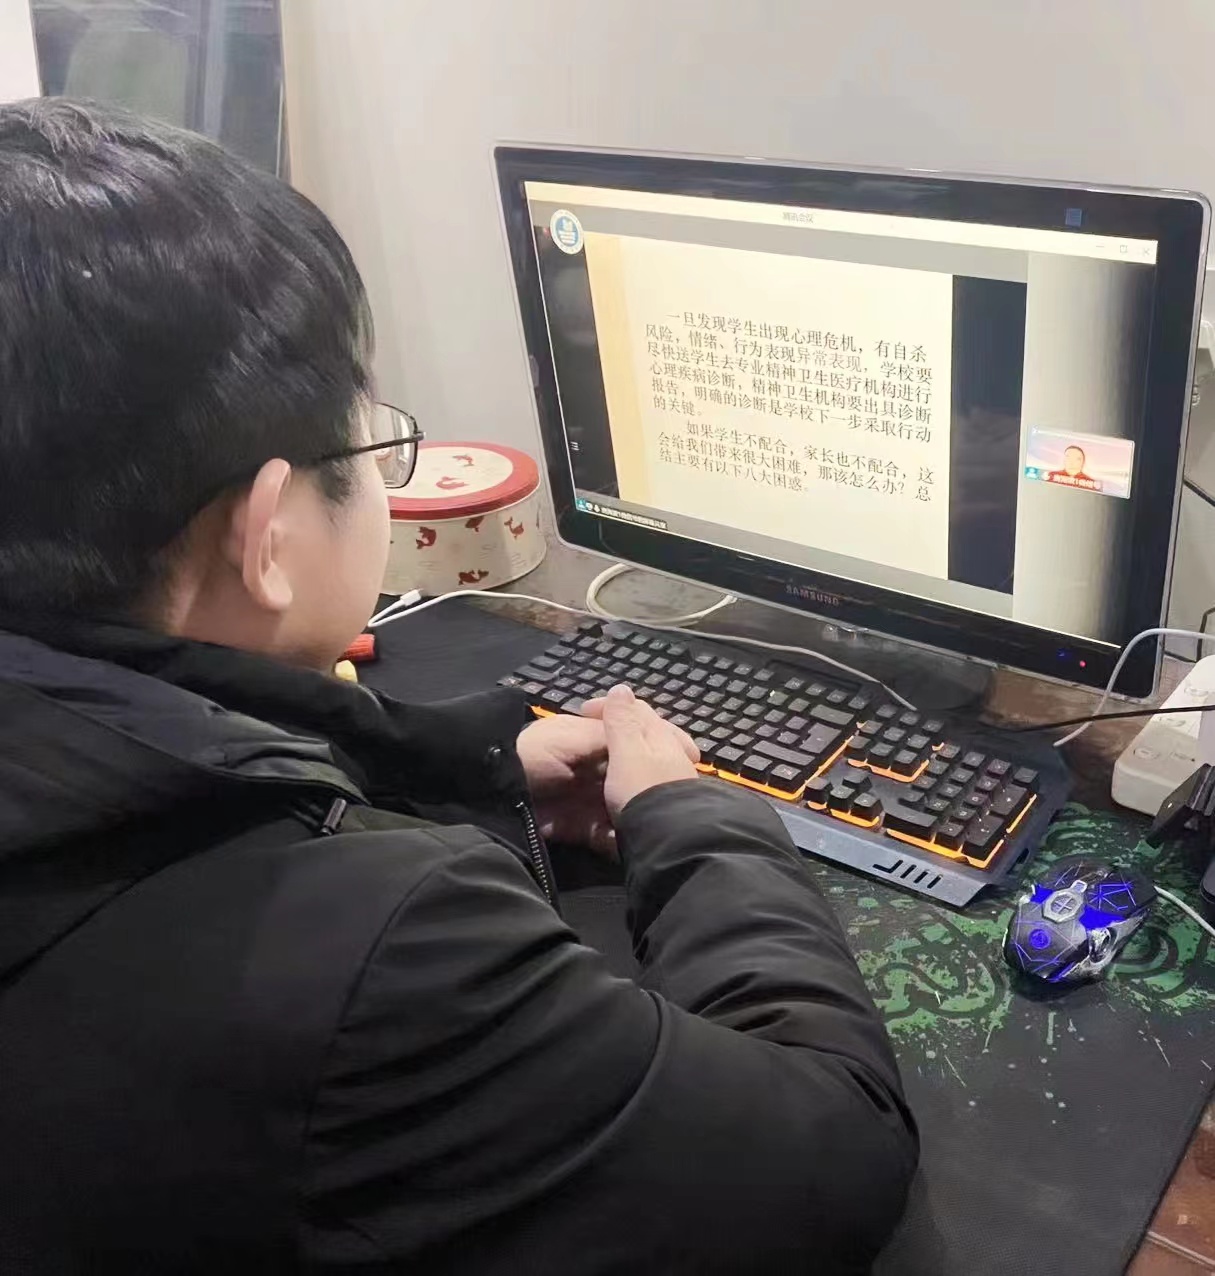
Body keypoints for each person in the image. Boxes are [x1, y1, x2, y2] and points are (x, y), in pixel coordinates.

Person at [0, 99, 917, 1274]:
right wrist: (689, 816)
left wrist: (471, 771)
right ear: (267, 534)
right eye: (374, 442)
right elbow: (830, 1150)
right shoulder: (371, 953)